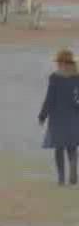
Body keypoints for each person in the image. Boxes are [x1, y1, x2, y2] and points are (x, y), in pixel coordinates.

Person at [39, 49, 79, 185]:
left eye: (58, 62)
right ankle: (73, 174)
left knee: (59, 148)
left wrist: (42, 115)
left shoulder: (55, 77)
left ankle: (61, 179)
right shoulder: (77, 77)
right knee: (72, 148)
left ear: (61, 62)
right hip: (74, 117)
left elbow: (49, 99)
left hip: (57, 117)